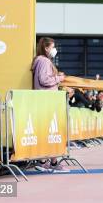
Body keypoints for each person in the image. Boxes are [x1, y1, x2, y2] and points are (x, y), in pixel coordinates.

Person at [31, 37, 68, 173]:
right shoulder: (44, 61)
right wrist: (59, 78)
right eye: (52, 47)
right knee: (51, 132)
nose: (54, 50)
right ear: (46, 48)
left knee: (49, 132)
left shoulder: (40, 61)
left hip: (44, 101)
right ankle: (48, 162)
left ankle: (48, 161)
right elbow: (44, 79)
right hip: (47, 102)